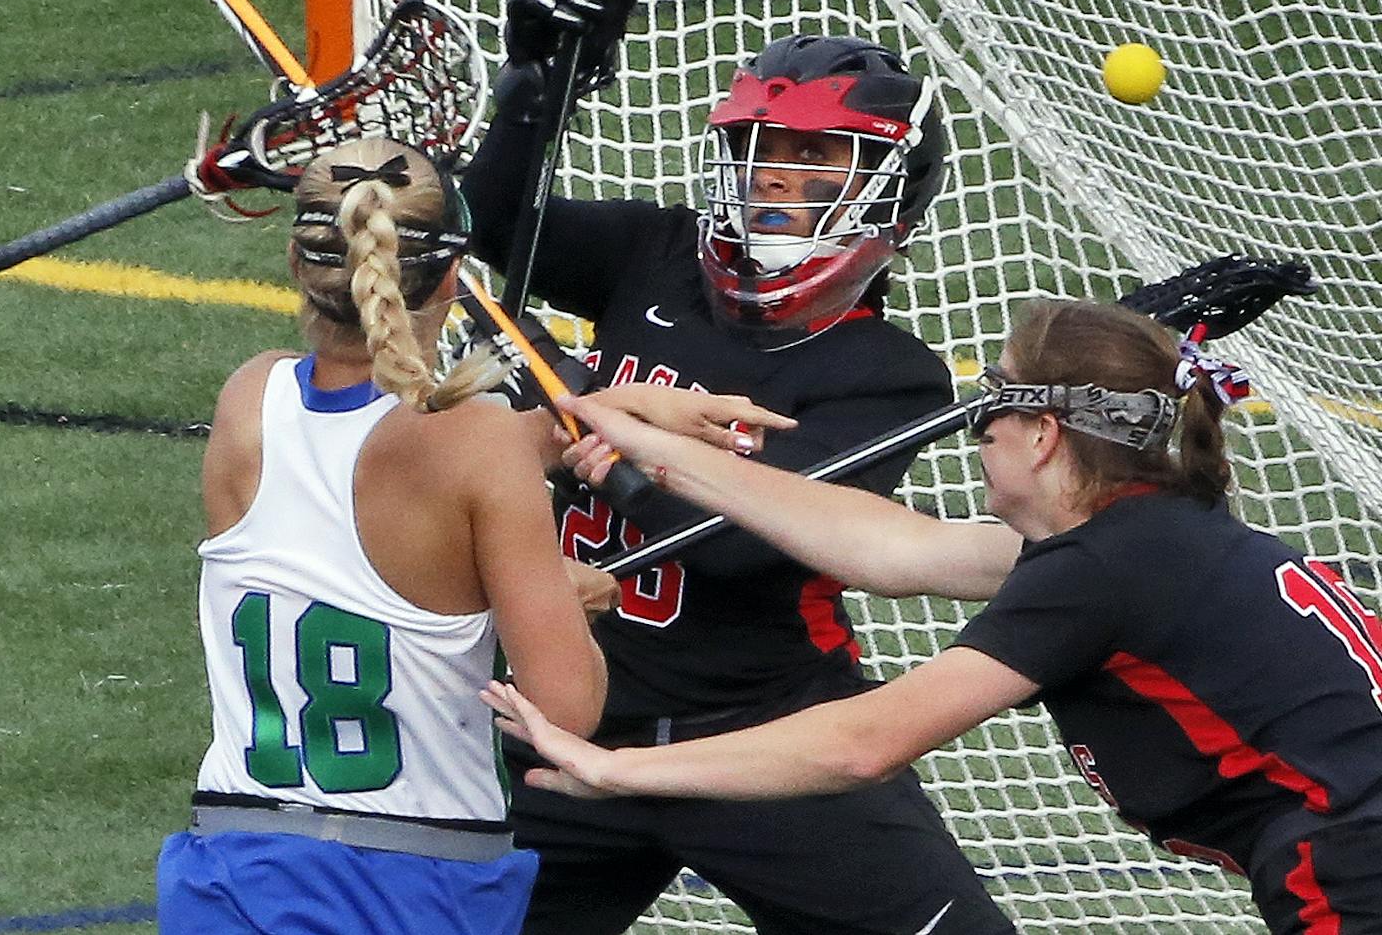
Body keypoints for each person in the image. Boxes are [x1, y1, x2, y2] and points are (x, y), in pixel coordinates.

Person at [461, 0, 1016, 934]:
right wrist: (537, 82)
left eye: (813, 158)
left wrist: (590, 410)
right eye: (761, 152)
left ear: (883, 191)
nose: (773, 177)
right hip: (565, 713)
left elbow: (736, 553)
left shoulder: (885, 374)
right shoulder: (655, 252)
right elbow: (488, 222)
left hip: (765, 740)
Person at [491, 299, 1382, 934]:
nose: (976, 437)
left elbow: (861, 743)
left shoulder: (1103, 569)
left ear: (1041, 434)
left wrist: (614, 770)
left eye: (989, 411)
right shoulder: (1147, 544)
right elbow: (887, 547)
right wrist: (643, 439)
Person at [155, 137, 610, 935]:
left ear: (302, 264)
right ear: (451, 277)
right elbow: (566, 712)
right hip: (412, 885)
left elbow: (359, 474)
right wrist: (556, 599)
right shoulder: (482, 445)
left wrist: (619, 415)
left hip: (228, 869)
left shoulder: (247, 400)